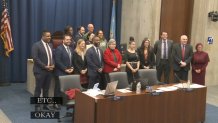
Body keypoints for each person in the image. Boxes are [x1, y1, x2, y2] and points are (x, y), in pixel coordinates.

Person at [31, 30, 55, 111]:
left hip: (49, 71)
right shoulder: (36, 45)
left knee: (46, 89)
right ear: (43, 36)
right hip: (40, 71)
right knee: (38, 89)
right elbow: (35, 58)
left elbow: (52, 57)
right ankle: (37, 106)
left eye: (50, 36)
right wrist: (45, 66)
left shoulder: (50, 45)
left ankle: (45, 105)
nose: (49, 37)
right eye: (48, 36)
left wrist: (53, 64)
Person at [54, 34, 74, 109]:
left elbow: (71, 60)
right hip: (60, 72)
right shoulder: (59, 48)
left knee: (66, 89)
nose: (69, 41)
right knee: (58, 89)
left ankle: (63, 101)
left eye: (69, 39)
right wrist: (65, 69)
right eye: (67, 39)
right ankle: (56, 103)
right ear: (63, 40)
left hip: (69, 72)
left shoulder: (71, 49)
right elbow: (57, 61)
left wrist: (72, 67)